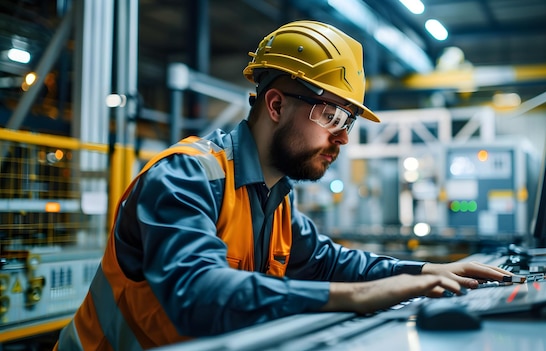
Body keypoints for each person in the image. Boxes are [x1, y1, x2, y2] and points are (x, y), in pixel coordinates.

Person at [54, 20, 512, 350]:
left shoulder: (274, 200)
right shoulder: (185, 177)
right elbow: (196, 294)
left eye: (347, 120)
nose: (343, 136)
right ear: (275, 105)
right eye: (331, 115)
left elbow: (333, 263)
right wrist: (360, 298)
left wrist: (423, 273)